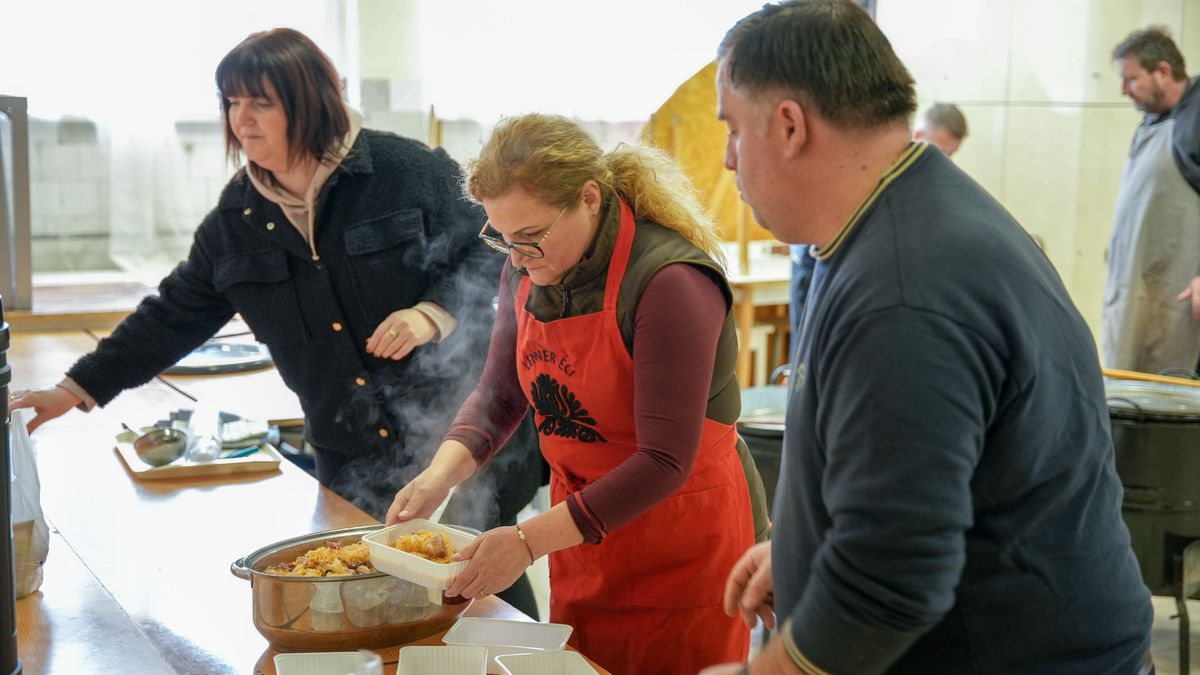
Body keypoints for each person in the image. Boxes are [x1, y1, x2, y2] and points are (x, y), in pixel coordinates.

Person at [9, 28, 542, 617]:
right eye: (232, 102)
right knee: (380, 603)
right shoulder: (236, 219)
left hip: (458, 437)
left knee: (483, 584)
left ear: (311, 103)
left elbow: (492, 243)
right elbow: (172, 315)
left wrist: (431, 312)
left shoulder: (406, 170)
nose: (242, 119)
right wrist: (73, 389)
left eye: (261, 102)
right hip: (349, 450)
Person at [703, 2, 1154, 674]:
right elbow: (935, 479)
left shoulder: (904, 288)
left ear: (791, 125)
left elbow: (889, 581)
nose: (730, 159)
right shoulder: (912, 213)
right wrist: (809, 544)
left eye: (734, 130)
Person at [385, 113, 769, 675]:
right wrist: (439, 475)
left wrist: (524, 541)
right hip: (584, 539)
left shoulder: (670, 282)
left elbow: (664, 461)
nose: (515, 258)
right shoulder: (525, 270)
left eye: (530, 237)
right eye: (501, 237)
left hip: (682, 542)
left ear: (589, 198)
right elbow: (501, 392)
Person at [1106, 27, 1200, 375]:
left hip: (1177, 306)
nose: (1123, 90)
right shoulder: (1152, 119)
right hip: (1135, 292)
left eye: (1131, 79)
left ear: (1162, 71)